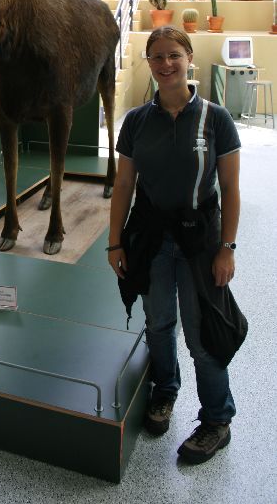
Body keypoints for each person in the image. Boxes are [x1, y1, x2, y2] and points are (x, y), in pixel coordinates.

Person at [107, 26, 244, 465]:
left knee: (203, 333)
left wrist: (227, 248)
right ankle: (165, 391)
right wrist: (114, 243)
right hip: (152, 238)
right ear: (149, 62)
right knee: (159, 322)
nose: (166, 64)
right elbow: (124, 185)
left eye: (174, 55)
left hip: (200, 240)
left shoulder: (215, 119)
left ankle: (217, 419)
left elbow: (230, 189)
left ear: (189, 59)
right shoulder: (137, 121)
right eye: (157, 57)